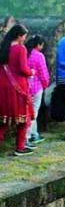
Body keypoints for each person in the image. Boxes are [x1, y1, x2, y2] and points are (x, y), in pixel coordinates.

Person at [0, 25, 35, 156]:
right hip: (18, 88)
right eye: (24, 35)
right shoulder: (20, 49)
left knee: (3, 120)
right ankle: (20, 147)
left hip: (3, 87)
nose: (25, 38)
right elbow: (23, 69)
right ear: (19, 36)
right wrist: (31, 71)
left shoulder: (4, 48)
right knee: (23, 119)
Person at [25, 35, 50, 146]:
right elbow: (43, 73)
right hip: (36, 87)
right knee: (34, 112)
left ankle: (34, 134)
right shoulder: (39, 56)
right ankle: (28, 136)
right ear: (39, 44)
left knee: (27, 112)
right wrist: (45, 85)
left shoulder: (24, 53)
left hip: (24, 88)